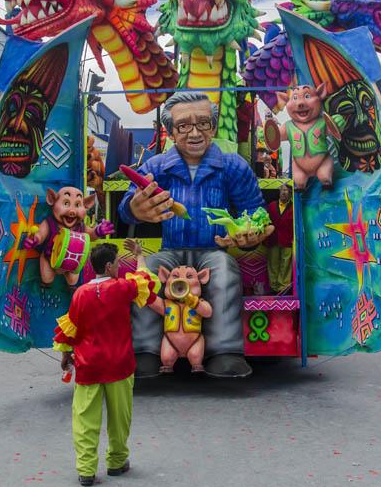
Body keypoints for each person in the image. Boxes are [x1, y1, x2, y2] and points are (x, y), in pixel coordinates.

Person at [118, 92, 273, 379]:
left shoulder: (232, 166)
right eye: (183, 126)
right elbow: (126, 207)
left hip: (213, 250)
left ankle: (225, 351)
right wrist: (135, 208)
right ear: (170, 131)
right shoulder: (155, 167)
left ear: (213, 127)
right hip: (170, 249)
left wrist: (250, 233)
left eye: (203, 123)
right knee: (146, 277)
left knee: (226, 273)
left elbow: (255, 212)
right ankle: (145, 351)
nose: (194, 133)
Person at [52, 241, 160, 486]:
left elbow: (71, 328)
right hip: (119, 364)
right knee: (120, 418)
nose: (120, 267)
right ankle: (117, 461)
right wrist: (140, 256)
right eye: (118, 263)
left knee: (84, 420)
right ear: (109, 266)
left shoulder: (80, 293)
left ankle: (86, 470)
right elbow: (146, 280)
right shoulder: (122, 288)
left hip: (88, 365)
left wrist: (65, 355)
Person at [265, 184, 294, 293]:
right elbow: (265, 222)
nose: (283, 192)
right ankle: (273, 287)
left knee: (286, 263)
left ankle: (283, 287)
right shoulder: (271, 206)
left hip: (287, 240)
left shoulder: (293, 207)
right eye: (282, 190)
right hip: (273, 239)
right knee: (273, 263)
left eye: (286, 190)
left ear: (290, 193)